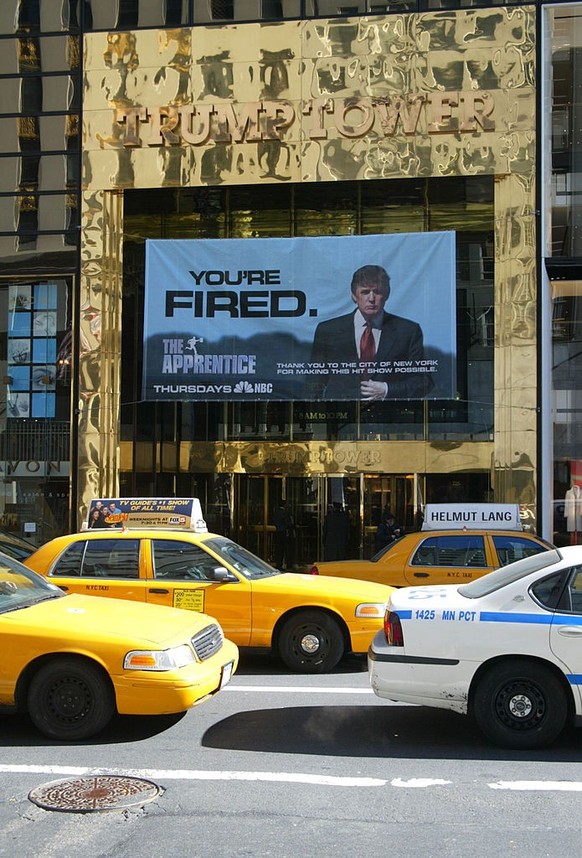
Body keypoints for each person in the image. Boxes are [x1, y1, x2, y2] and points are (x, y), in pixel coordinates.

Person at [310, 264, 430, 401]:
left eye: (377, 292)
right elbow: (315, 379)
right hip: (341, 416)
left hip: (390, 416)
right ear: (354, 295)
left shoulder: (408, 331)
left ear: (387, 294)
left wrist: (387, 389)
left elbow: (423, 381)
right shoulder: (328, 330)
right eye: (365, 292)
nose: (371, 298)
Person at [273, 501, 296, 570]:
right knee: (287, 550)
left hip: (278, 533)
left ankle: (279, 564)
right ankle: (288, 564)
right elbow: (288, 524)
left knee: (279, 550)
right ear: (285, 505)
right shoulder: (285, 513)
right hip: (285, 533)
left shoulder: (276, 513)